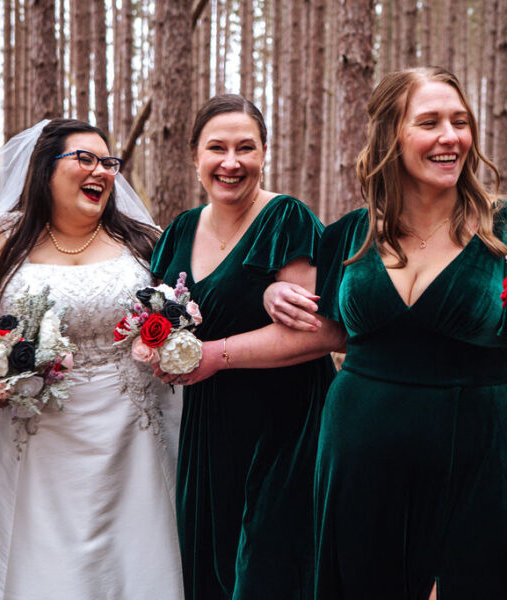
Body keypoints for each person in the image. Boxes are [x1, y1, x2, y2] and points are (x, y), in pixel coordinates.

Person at [265, 67, 507, 599]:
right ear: (391, 137)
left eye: (460, 122)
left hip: (477, 448)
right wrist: (272, 294)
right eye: (429, 122)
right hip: (359, 445)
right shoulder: (348, 235)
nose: (451, 137)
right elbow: (323, 329)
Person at [0, 119, 184, 599]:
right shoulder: (4, 240)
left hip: (132, 431)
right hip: (33, 432)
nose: (101, 171)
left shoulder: (143, 241)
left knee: (135, 559)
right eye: (85, 158)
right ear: (45, 170)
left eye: (108, 162)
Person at [150, 94, 342, 600]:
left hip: (287, 426)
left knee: (270, 570)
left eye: (246, 148)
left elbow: (322, 331)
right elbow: (155, 318)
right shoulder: (178, 232)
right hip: (208, 428)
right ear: (195, 156)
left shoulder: (286, 220)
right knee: (212, 568)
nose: (231, 162)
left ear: (264, 154)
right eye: (217, 148)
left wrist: (214, 355)